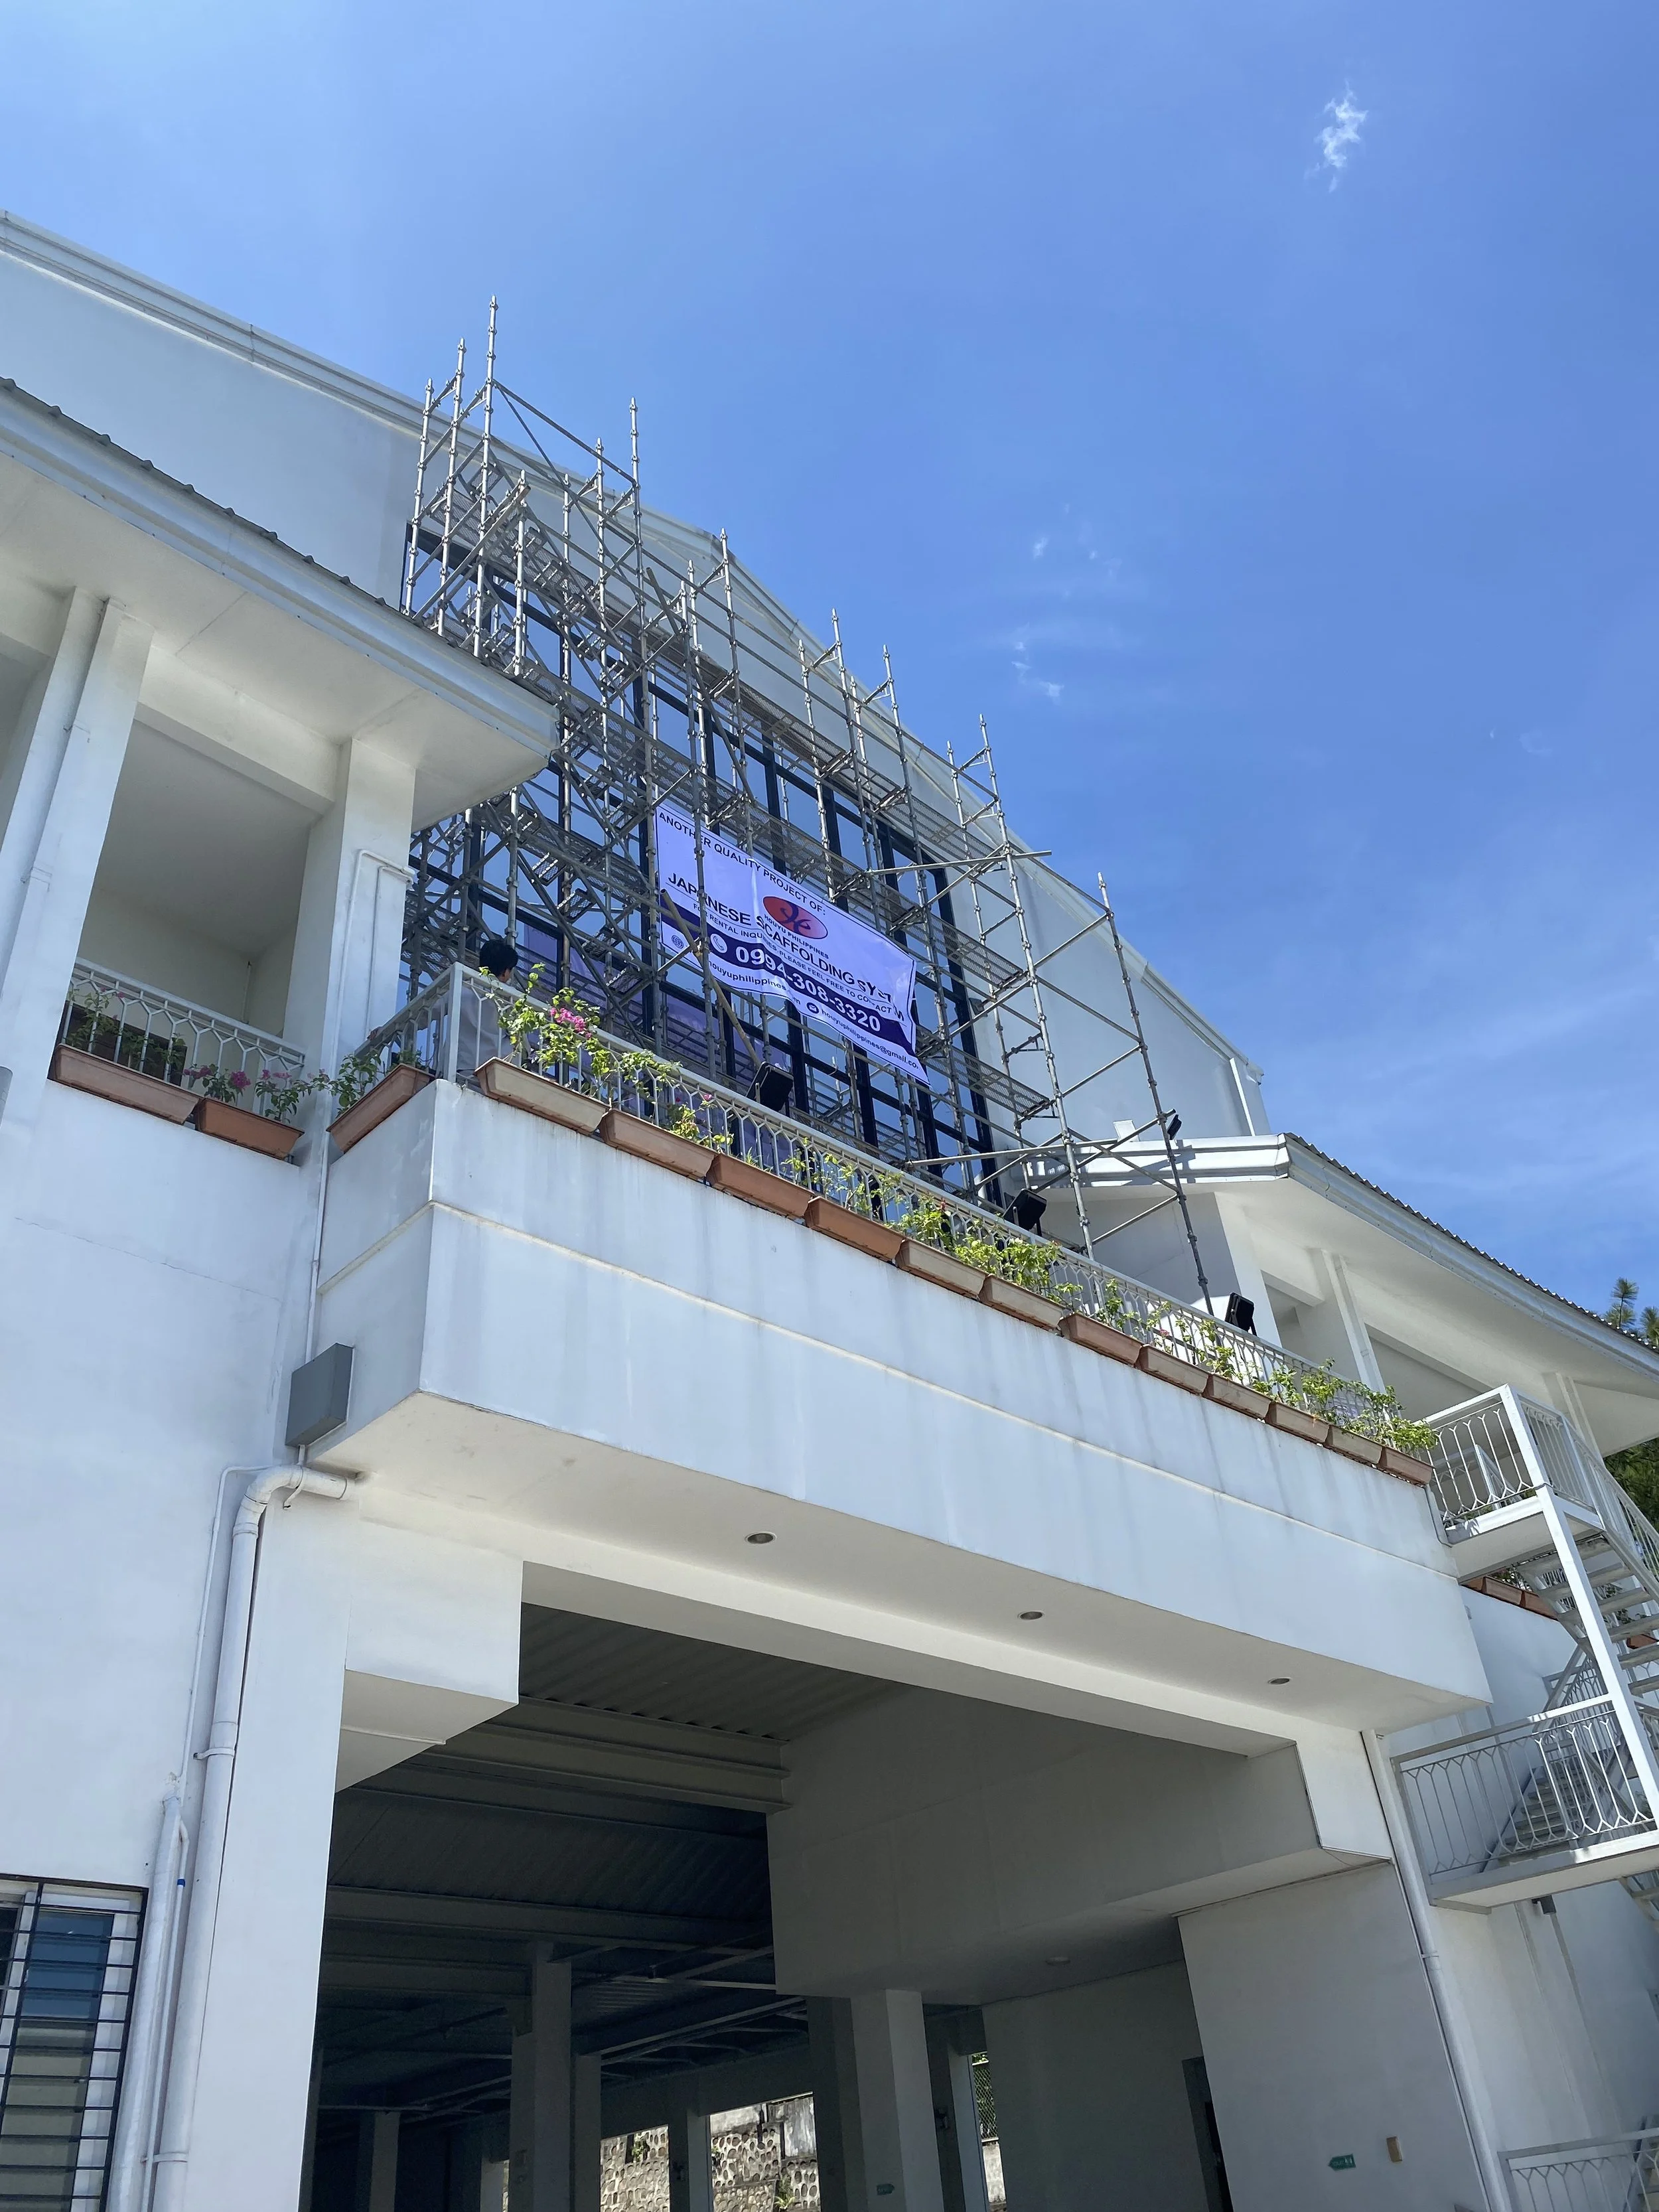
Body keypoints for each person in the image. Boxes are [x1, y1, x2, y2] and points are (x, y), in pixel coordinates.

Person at [457, 934, 518, 1076]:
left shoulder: (461, 988)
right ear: (505, 971)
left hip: (462, 1064)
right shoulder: (509, 998)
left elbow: (424, 1013)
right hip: (496, 1071)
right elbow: (518, 1036)